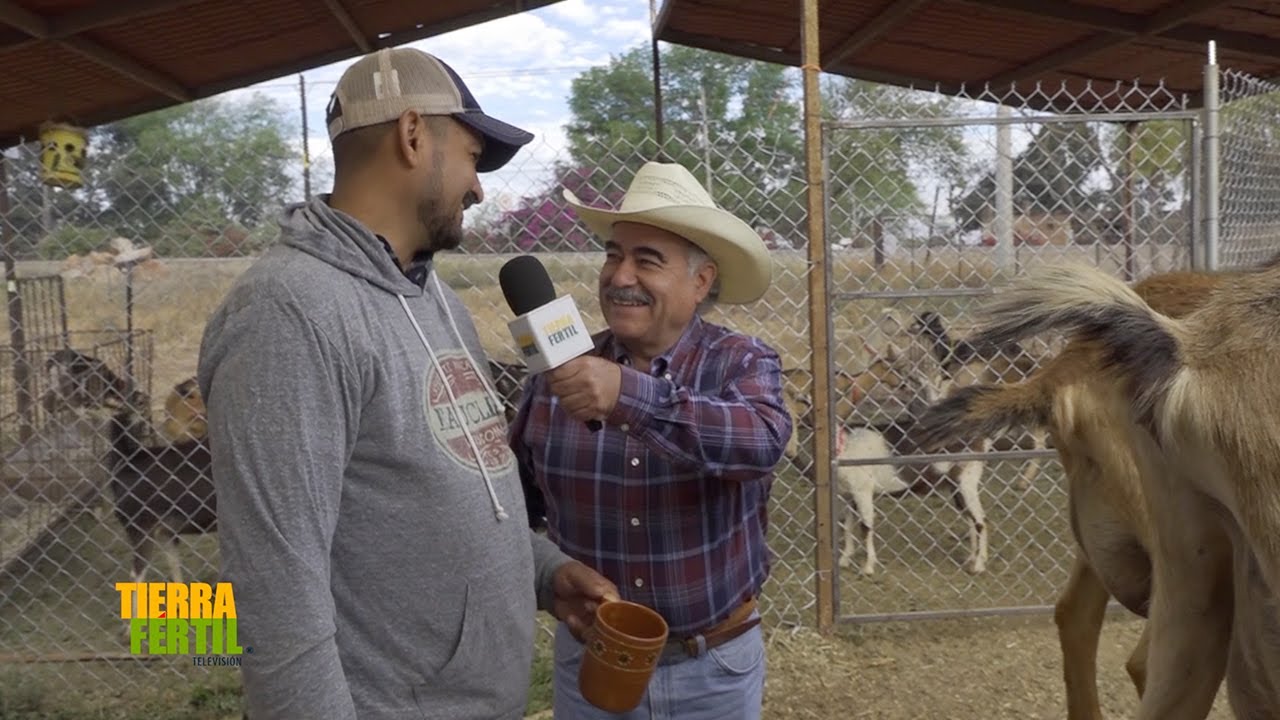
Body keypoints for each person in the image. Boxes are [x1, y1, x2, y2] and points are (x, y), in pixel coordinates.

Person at [196, 47, 618, 720]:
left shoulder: (436, 298)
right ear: (414, 134)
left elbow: (447, 483)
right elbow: (276, 596)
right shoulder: (288, 314)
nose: (478, 189)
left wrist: (541, 572)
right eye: (474, 158)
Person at [508, 160, 793, 719]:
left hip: (712, 667)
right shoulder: (558, 375)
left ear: (701, 281)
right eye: (614, 255)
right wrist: (548, 574)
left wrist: (626, 396)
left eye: (647, 260)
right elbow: (514, 509)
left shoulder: (741, 361)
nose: (619, 277)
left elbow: (761, 441)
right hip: (591, 662)